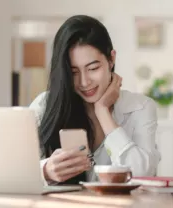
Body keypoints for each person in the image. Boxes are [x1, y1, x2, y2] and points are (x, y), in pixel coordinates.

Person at [29, 15, 161, 185]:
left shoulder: (140, 107)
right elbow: (14, 170)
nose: (84, 82)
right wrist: (45, 171)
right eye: (74, 72)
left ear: (111, 59)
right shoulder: (45, 105)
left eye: (93, 68)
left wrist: (103, 112)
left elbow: (142, 174)